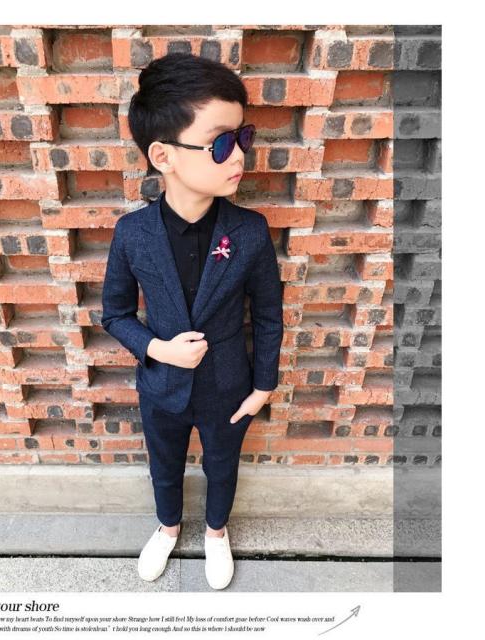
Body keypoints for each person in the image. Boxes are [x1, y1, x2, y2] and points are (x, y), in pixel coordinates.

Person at [101, 52, 283, 590]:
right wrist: (158, 349)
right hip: (161, 385)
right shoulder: (132, 234)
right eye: (220, 143)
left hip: (228, 386)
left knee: (223, 465)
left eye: (242, 137)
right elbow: (114, 313)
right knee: (164, 464)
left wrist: (263, 387)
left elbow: (267, 313)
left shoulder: (249, 230)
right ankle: (168, 526)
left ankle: (217, 532)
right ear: (164, 156)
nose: (239, 155)